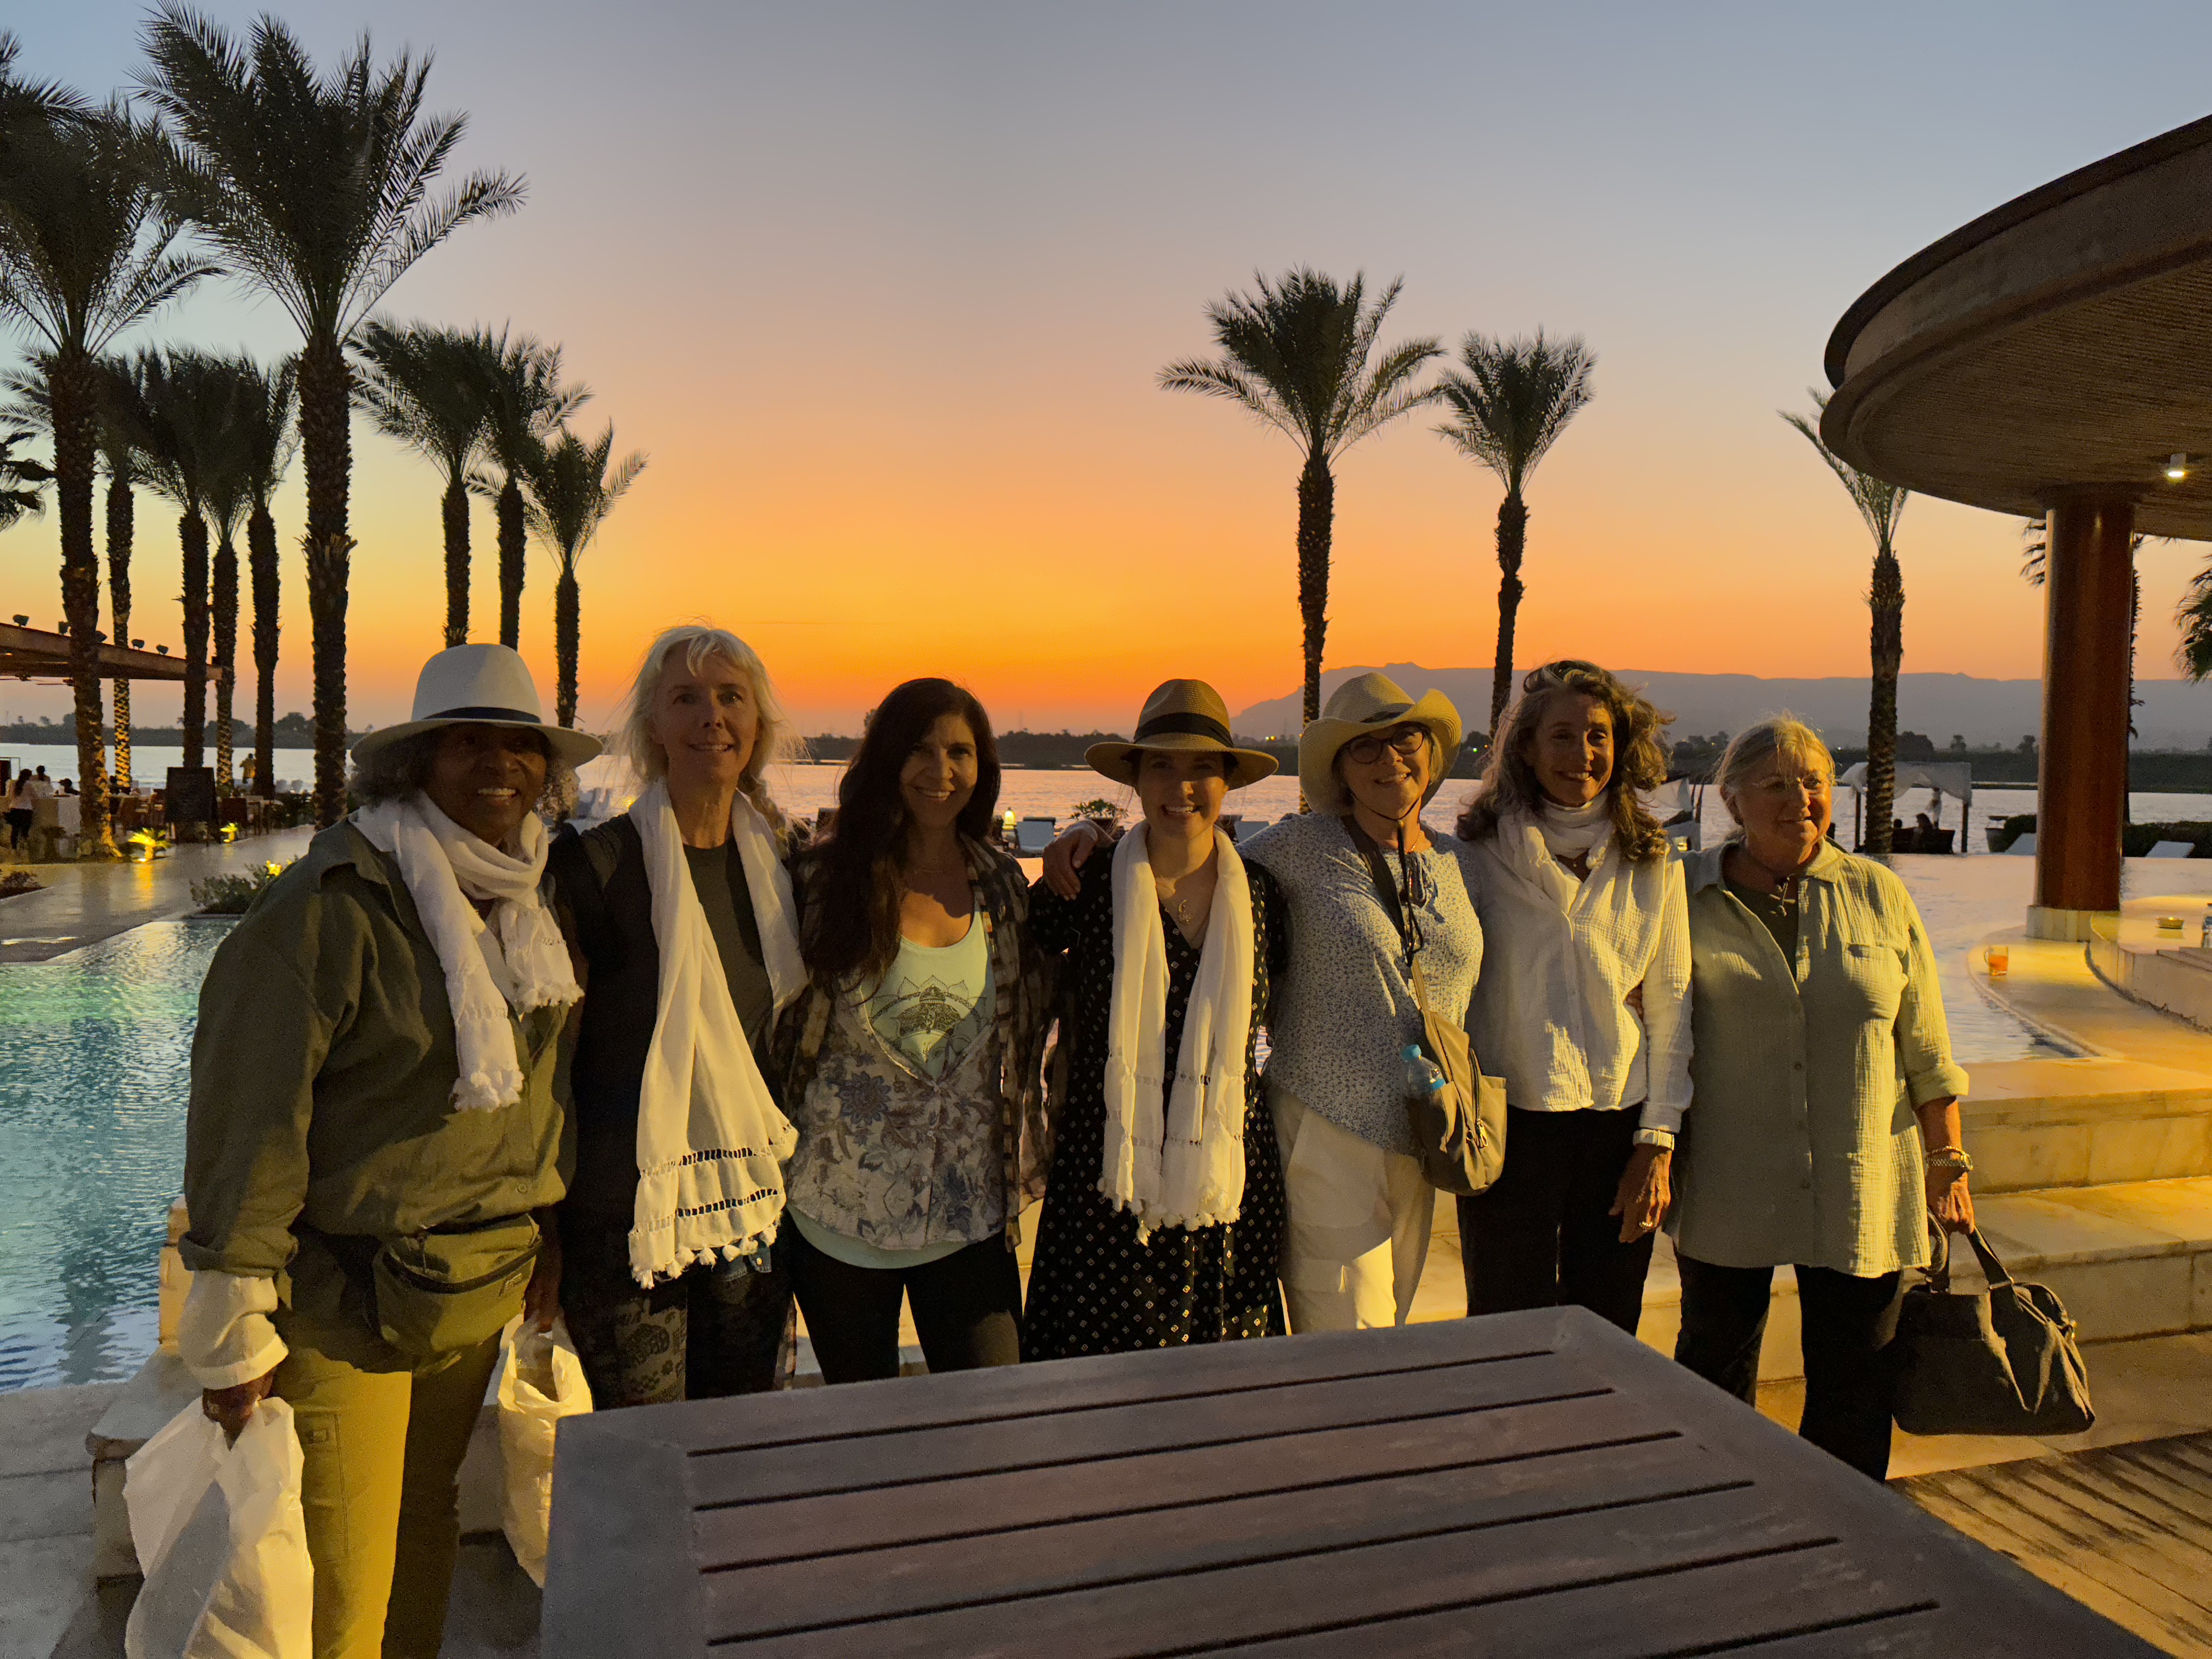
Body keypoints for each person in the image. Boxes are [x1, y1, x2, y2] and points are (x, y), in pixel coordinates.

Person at [175, 644, 597, 1659]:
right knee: (343, 1589)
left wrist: (549, 1230)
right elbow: (250, 1118)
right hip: (344, 1300)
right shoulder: (330, 908)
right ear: (413, 763)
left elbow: (544, 1097)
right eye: (467, 742)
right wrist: (235, 1319)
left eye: (519, 745)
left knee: (424, 1526)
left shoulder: (533, 901)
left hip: (475, 1284)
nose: (499, 764)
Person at [1051, 673, 1485, 1333]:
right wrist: (1090, 832)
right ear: (1339, 767)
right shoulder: (1295, 852)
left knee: (1387, 1331)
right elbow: (1180, 850)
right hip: (1320, 1126)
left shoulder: (1464, 863)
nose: (1389, 758)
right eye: (1365, 746)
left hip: (1425, 1136)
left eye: (1406, 739)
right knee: (1346, 1341)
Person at [1671, 716, 1972, 1480]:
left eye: (1812, 781)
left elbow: (1928, 1049)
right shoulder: (1683, 895)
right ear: (1733, 800)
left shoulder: (1880, 894)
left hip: (1861, 1175)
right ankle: (1716, 1522)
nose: (1798, 798)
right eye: (1774, 783)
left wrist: (1949, 1160)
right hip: (1730, 1177)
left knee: (1855, 1383)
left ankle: (1844, 1532)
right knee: (1714, 1369)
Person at [548, 625, 805, 1407]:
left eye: (732, 697)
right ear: (653, 728)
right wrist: (544, 1234)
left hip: (754, 1214)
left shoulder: (783, 871)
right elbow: (552, 1063)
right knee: (646, 1457)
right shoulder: (596, 868)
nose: (712, 717)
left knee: (739, 1446)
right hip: (627, 1222)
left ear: (757, 724)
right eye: (686, 699)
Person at [774, 678, 1051, 1382]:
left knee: (991, 1420)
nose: (941, 771)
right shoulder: (822, 879)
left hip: (968, 1216)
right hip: (837, 1215)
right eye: (920, 751)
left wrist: (1084, 838)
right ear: (888, 760)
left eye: (960, 752)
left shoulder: (1002, 885)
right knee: (864, 1437)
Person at [1023, 679, 1289, 1359]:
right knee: (1095, 1401)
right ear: (1136, 779)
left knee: (1225, 1403)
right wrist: (1078, 835)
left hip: (1226, 1178)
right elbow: (1005, 960)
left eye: (1204, 767)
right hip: (1107, 1176)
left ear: (1229, 781)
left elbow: (1280, 1018)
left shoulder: (1263, 897)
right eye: (1163, 765)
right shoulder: (1086, 885)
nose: (1183, 786)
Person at [1455, 659, 1691, 1336]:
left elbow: (1673, 1007)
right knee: (1503, 1328)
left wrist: (1657, 1141)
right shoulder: (1475, 855)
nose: (1581, 755)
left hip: (1617, 1127)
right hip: (1509, 1125)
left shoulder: (1653, 861)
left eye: (1597, 736)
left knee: (1608, 1328)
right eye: (1561, 736)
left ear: (1620, 747)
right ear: (1525, 748)